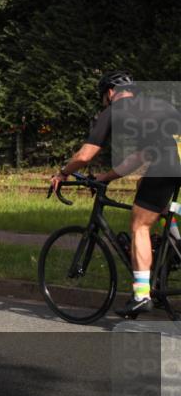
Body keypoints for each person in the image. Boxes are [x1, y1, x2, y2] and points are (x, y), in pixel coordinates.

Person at [50, 71, 181, 317]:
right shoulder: (155, 106)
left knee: (140, 225)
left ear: (110, 93)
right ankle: (175, 247)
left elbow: (85, 155)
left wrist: (62, 173)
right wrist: (106, 177)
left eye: (103, 97)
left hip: (169, 161)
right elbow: (141, 157)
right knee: (148, 191)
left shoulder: (112, 112)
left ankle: (142, 295)